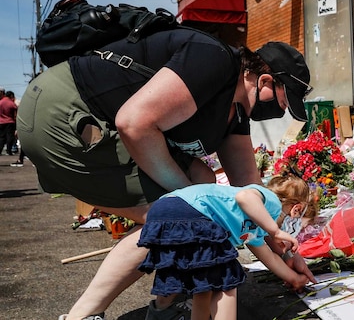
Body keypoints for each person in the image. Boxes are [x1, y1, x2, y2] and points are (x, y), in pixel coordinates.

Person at [16, 26, 316, 320]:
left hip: (84, 119)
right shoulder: (215, 60)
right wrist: (189, 205)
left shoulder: (235, 112)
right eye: (281, 102)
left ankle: (165, 306)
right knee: (174, 219)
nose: (280, 111)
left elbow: (248, 194)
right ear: (264, 80)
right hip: (65, 115)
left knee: (202, 184)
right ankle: (83, 315)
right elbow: (133, 123)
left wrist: (286, 255)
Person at [138, 172, 311, 320]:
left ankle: (159, 313)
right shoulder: (271, 202)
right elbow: (244, 197)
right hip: (193, 212)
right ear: (296, 209)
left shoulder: (255, 230)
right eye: (297, 224)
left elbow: (270, 258)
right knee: (225, 280)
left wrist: (294, 279)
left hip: (165, 210)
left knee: (201, 284)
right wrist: (276, 231)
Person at [0, 87, 18, 158]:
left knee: (1, 137)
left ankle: (0, 150)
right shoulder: (11, 103)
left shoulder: (0, 102)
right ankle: (9, 150)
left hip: (1, 122)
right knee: (10, 136)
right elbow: (15, 114)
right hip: (10, 122)